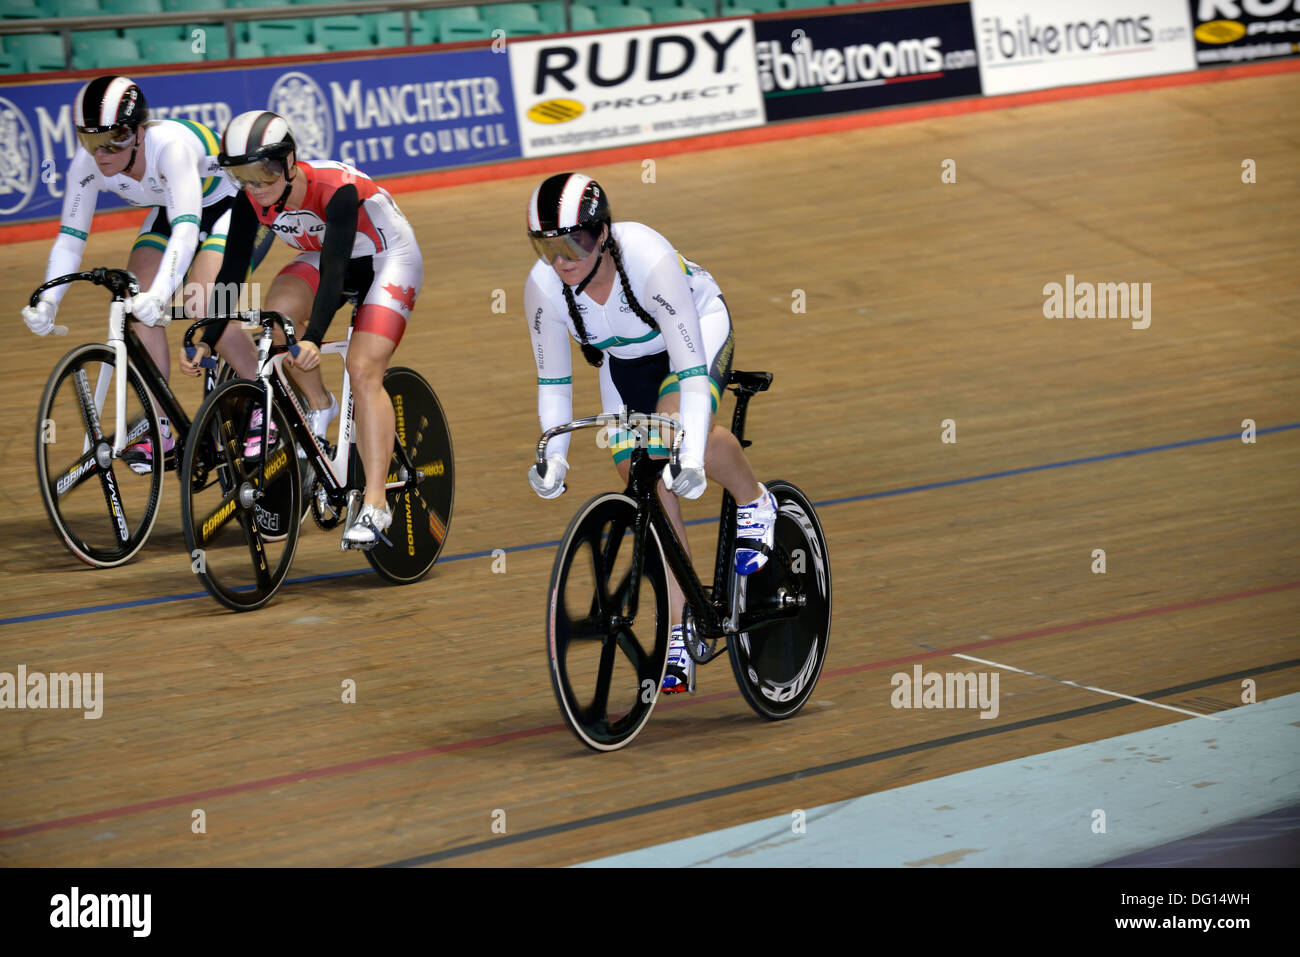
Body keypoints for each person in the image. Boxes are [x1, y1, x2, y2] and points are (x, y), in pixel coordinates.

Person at [523, 171, 777, 695]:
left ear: (604, 235)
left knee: (679, 439)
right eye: (547, 246)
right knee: (644, 486)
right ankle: (681, 626)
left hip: (694, 332)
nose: (561, 258)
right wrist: (555, 456)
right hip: (625, 361)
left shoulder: (648, 260)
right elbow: (553, 382)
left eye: (574, 242)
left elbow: (688, 369)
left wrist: (688, 449)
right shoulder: (544, 288)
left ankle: (755, 501)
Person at [187, 110, 422, 546]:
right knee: (276, 320)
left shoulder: (336, 190)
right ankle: (320, 405)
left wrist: (314, 336)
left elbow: (335, 273)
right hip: (326, 255)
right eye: (244, 176)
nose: (256, 187)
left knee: (363, 368)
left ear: (290, 161)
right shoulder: (250, 200)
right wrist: (208, 335)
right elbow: (232, 271)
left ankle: (374, 503)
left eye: (264, 173)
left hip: (386, 257)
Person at [21, 75, 266, 472]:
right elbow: (70, 238)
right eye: (90, 140)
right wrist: (49, 300)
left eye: (113, 139)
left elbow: (187, 229)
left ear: (137, 131)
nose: (101, 153)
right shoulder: (89, 165)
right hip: (172, 208)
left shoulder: (168, 148)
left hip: (229, 205)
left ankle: (261, 394)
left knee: (204, 302)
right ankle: (161, 427)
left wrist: (164, 292)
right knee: (134, 304)